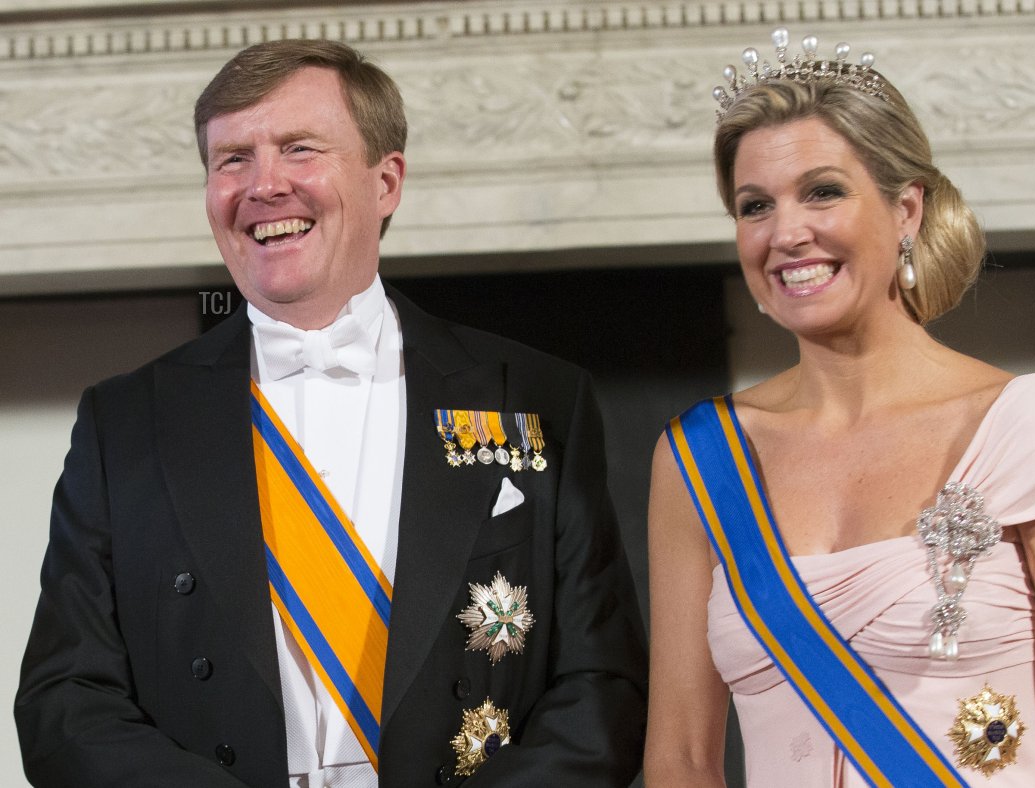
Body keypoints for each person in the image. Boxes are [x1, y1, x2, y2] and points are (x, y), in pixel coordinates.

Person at [15, 39, 647, 787]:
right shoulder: (123, 423)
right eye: (232, 159)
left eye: (299, 148)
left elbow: (603, 686)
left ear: (386, 182)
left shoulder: (537, 397)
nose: (263, 185)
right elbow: (66, 702)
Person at [643, 28, 1035, 787]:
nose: (786, 233)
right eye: (754, 205)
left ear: (906, 211)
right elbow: (681, 759)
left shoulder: (1026, 428)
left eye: (822, 191)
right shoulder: (698, 458)